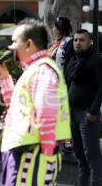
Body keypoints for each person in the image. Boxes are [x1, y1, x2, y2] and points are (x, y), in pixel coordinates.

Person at [0, 19, 71, 186]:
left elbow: (47, 116)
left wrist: (47, 159)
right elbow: (17, 106)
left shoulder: (43, 71)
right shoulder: (35, 70)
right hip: (24, 150)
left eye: (14, 41)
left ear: (28, 45)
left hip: (31, 153)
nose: (10, 47)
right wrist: (4, 78)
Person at [64, 29, 102, 186]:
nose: (78, 43)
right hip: (72, 114)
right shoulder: (72, 60)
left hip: (87, 114)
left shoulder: (96, 60)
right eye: (75, 40)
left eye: (82, 40)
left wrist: (93, 111)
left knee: (92, 155)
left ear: (90, 42)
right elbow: (69, 84)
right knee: (79, 155)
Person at [48, 17, 74, 154]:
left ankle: (68, 141)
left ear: (60, 29)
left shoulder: (69, 43)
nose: (53, 29)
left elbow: (69, 66)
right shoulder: (55, 44)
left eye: (55, 27)